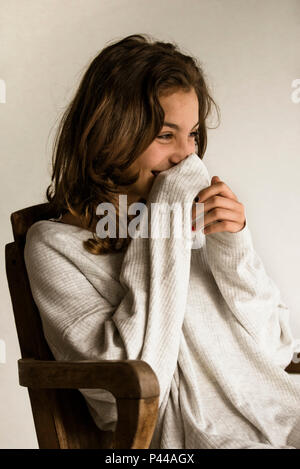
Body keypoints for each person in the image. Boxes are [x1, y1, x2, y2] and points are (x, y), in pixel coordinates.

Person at [24, 33, 300, 449]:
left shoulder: (191, 221)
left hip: (278, 419)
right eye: (165, 135)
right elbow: (118, 390)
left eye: (192, 135)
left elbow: (276, 348)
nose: (186, 158)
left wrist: (233, 248)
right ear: (110, 134)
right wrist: (161, 228)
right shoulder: (54, 246)